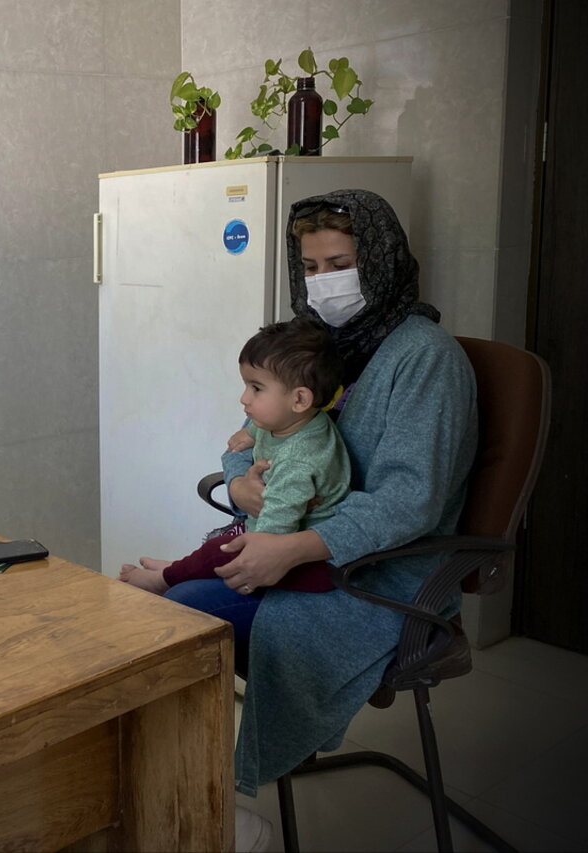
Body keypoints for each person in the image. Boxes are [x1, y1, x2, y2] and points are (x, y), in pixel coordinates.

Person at [140, 190, 477, 827]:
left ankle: (200, 809)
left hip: (379, 573)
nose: (324, 280)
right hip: (299, 540)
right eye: (312, 267)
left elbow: (412, 501)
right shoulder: (316, 345)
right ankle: (164, 795)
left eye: (340, 263)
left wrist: (293, 547)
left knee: (180, 624)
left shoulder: (427, 360)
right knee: (161, 615)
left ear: (378, 261)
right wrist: (241, 485)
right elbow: (251, 433)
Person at [119, 316, 350, 596]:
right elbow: (244, 444)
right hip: (276, 530)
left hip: (306, 562)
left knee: (221, 549)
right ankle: (179, 567)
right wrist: (251, 432)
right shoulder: (293, 419)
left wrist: (245, 552)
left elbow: (273, 534)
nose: (244, 398)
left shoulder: (299, 462)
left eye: (256, 388)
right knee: (216, 549)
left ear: (300, 399)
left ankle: (164, 579)